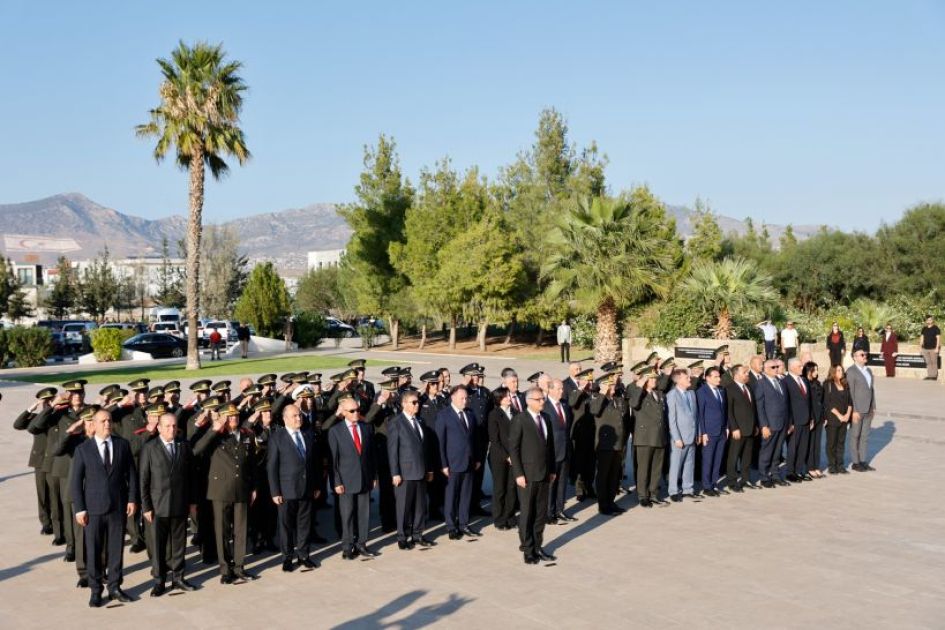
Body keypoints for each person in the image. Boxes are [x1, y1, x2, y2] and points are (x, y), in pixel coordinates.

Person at [69, 408, 138, 608]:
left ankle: (115, 587)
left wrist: (132, 499)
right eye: (103, 421)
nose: (107, 424)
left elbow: (131, 475)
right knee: (94, 550)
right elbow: (76, 483)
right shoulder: (83, 449)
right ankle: (96, 589)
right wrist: (80, 509)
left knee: (116, 549)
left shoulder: (122, 445)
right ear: (93, 424)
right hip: (93, 509)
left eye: (109, 420)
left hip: (118, 507)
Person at [194, 402, 259, 583]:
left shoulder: (247, 434)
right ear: (222, 418)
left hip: (242, 488)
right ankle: (225, 569)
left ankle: (239, 567)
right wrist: (214, 429)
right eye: (229, 416)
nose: (234, 419)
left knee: (241, 530)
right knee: (222, 531)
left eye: (236, 415)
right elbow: (197, 450)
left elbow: (251, 463)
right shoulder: (215, 436)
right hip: (221, 490)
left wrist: (254, 486)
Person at [138, 412, 198, 595]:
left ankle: (178, 578)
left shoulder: (183, 445)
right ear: (158, 428)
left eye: (174, 426)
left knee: (179, 544)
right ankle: (159, 581)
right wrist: (146, 506)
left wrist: (192, 501)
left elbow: (190, 477)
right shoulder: (150, 447)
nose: (171, 429)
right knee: (158, 547)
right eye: (167, 426)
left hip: (179, 503)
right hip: (157, 506)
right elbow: (144, 480)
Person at [268, 404, 323, 572]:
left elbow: (315, 464)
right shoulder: (277, 437)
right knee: (286, 526)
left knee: (304, 524)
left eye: (299, 415)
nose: (298, 418)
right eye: (294, 416)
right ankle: (287, 557)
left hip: (306, 488)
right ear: (285, 419)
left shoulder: (307, 434)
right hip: (286, 491)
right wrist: (275, 491)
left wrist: (316, 485)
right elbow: (272, 466)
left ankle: (304, 555)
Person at [508, 387, 556, 564]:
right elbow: (514, 449)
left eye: (543, 398)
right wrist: (518, 473)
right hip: (527, 475)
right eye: (539, 399)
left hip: (544, 473)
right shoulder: (520, 420)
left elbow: (549, 447)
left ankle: (538, 546)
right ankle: (528, 549)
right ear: (528, 401)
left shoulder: (546, 419)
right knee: (527, 513)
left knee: (540, 514)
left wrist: (552, 470)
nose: (542, 402)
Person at [328, 396, 379, 559]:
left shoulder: (366, 428)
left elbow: (371, 455)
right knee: (347, 515)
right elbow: (333, 460)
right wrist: (336, 481)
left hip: (365, 478)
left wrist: (374, 475)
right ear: (343, 413)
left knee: (364, 514)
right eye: (352, 411)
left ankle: (362, 544)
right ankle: (347, 546)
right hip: (346, 481)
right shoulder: (335, 431)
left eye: (358, 410)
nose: (356, 413)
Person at [387, 391, 437, 550]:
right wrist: (395, 473)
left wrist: (429, 469)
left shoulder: (420, 421)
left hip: (421, 471)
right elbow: (392, 450)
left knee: (420, 506)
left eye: (417, 402)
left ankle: (417, 534)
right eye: (414, 402)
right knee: (404, 507)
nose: (417, 405)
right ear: (404, 404)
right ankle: (402, 536)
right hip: (405, 472)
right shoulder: (396, 422)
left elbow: (426, 449)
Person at [435, 386, 482, 539]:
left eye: (466, 398)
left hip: (469, 462)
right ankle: (451, 526)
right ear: (453, 398)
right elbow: (440, 442)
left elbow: (475, 439)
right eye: (462, 398)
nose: (465, 401)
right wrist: (443, 464)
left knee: (465, 495)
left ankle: (464, 523)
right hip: (452, 463)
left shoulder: (470, 414)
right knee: (451, 496)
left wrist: (477, 458)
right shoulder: (444, 415)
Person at [14, 387, 57, 536]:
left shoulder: (57, 416)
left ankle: (58, 522)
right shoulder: (36, 418)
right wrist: (31, 408)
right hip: (39, 461)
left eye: (51, 400)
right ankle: (46, 523)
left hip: (54, 460)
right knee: (42, 494)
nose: (48, 403)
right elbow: (18, 424)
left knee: (54, 493)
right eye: (45, 401)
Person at [626, 368, 667, 507]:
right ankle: (643, 495)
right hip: (644, 437)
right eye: (651, 379)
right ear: (645, 380)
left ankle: (654, 493)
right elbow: (633, 404)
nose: (654, 381)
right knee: (643, 468)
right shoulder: (639, 393)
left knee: (656, 468)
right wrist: (640, 385)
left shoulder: (659, 394)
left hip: (659, 436)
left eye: (655, 378)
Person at [589, 373, 629, 515]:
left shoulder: (616, 399)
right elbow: (593, 410)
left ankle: (611, 502)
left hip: (617, 443)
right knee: (603, 475)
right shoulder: (599, 399)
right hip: (605, 445)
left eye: (613, 384)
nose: (613, 387)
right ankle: (603, 505)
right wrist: (602, 393)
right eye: (610, 385)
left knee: (613, 476)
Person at [755, 359, 790, 487]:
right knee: (767, 451)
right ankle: (764, 477)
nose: (776, 369)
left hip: (782, 423)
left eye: (777, 366)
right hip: (770, 424)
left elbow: (786, 404)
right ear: (766, 369)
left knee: (777, 451)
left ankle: (775, 474)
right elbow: (760, 406)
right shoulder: (761, 383)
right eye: (773, 367)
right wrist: (764, 425)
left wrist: (789, 422)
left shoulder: (780, 381)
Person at [544, 379, 575, 523]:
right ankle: (549, 513)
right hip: (552, 452)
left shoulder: (564, 404)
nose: (562, 391)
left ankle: (559, 510)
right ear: (550, 390)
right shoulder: (545, 406)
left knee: (562, 483)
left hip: (565, 450)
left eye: (562, 388)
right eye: (558, 389)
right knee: (551, 484)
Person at [695, 367, 728, 496]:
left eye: (719, 376)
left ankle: (714, 484)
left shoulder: (721, 391)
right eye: (715, 376)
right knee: (708, 459)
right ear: (707, 378)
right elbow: (700, 414)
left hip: (721, 431)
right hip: (709, 431)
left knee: (717, 459)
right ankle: (707, 486)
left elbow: (724, 411)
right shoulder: (702, 392)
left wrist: (726, 427)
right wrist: (703, 432)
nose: (719, 379)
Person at [666, 369, 697, 501]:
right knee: (676, 465)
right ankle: (673, 491)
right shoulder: (672, 395)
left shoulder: (691, 394)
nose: (689, 379)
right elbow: (671, 419)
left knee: (689, 464)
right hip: (679, 438)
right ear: (678, 380)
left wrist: (698, 433)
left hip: (692, 435)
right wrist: (676, 438)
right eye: (686, 378)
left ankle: (688, 489)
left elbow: (696, 416)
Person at [488, 388, 517, 530]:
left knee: (511, 488)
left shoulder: (516, 412)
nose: (509, 398)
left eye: (509, 395)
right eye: (506, 396)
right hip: (499, 457)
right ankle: (499, 519)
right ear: (500, 399)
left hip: (514, 457)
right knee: (500, 488)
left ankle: (510, 516)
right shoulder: (494, 415)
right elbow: (495, 439)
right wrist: (507, 456)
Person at [725, 365, 757, 492]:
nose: (747, 374)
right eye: (745, 373)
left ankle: (745, 479)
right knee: (733, 456)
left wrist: (756, 425)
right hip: (738, 429)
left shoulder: (748, 388)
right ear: (736, 375)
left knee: (747, 457)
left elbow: (752, 409)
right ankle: (732, 481)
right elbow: (729, 411)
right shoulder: (730, 388)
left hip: (750, 428)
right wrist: (734, 428)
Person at [846, 349, 876, 471]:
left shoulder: (868, 370)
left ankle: (863, 461)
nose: (865, 356)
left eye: (865, 354)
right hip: (857, 410)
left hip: (868, 409)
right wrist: (854, 410)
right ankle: (855, 462)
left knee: (865, 436)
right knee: (855, 436)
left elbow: (871, 389)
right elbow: (850, 392)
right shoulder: (851, 371)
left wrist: (873, 406)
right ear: (854, 357)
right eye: (862, 355)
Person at [783, 358, 812, 482]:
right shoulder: (786, 381)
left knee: (803, 447)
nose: (802, 368)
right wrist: (790, 423)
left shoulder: (804, 380)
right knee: (793, 448)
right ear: (791, 367)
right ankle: (790, 472)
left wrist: (811, 418)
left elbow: (808, 401)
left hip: (805, 419)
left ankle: (799, 470)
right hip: (794, 421)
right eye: (800, 366)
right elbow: (786, 404)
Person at [823, 365, 853, 474]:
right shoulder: (828, 384)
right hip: (833, 419)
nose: (841, 372)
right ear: (833, 372)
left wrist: (847, 415)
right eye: (839, 370)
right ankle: (832, 465)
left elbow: (850, 401)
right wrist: (839, 415)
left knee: (841, 443)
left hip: (844, 419)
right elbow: (827, 402)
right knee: (831, 443)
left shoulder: (845, 384)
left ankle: (840, 465)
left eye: (842, 370)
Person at [804, 362, 825, 478]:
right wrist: (810, 417)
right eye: (814, 370)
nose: (816, 372)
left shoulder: (817, 383)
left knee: (817, 443)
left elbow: (822, 401)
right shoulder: (805, 383)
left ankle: (816, 466)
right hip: (811, 417)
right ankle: (809, 467)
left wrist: (824, 416)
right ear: (809, 371)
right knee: (810, 444)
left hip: (819, 417)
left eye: (817, 370)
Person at [920, 316, 940, 380]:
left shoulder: (936, 328)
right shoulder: (924, 328)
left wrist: (937, 348)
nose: (929, 321)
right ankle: (930, 375)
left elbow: (938, 338)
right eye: (928, 320)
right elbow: (922, 338)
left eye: (930, 320)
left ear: (932, 320)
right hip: (925, 348)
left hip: (933, 348)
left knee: (934, 362)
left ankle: (934, 376)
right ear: (926, 321)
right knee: (928, 362)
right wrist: (920, 347)